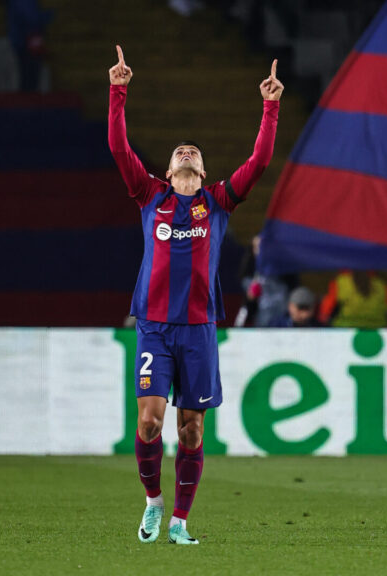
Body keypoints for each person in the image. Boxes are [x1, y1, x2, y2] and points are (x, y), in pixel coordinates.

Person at [109, 45, 281, 545]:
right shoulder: (150, 196)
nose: (187, 151)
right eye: (179, 151)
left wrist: (270, 105)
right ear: (168, 169)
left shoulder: (219, 202)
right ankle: (153, 506)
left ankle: (181, 521)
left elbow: (260, 160)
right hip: (154, 327)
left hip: (200, 331)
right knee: (148, 422)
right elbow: (120, 150)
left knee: (190, 432)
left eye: (195, 152)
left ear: (203, 172)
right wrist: (118, 90)